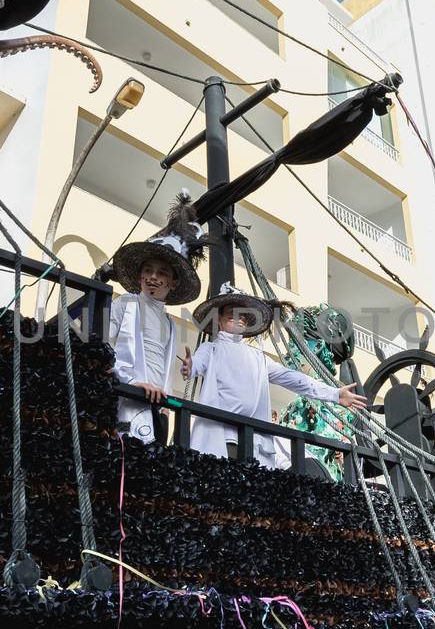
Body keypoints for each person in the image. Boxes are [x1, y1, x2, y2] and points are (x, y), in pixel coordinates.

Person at [182, 282, 366, 465]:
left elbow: (295, 379)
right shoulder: (211, 350)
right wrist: (190, 367)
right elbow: (196, 365)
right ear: (218, 319)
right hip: (220, 436)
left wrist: (334, 394)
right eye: (231, 313)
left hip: (251, 440)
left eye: (243, 315)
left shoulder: (258, 358)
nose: (238, 317)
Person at [106, 194, 205, 443]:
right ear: (139, 277)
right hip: (124, 400)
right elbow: (104, 349)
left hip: (156, 408)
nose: (153, 277)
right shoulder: (125, 304)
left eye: (162, 273)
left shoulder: (170, 324)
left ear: (172, 283)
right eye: (148, 271)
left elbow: (161, 367)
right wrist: (131, 382)